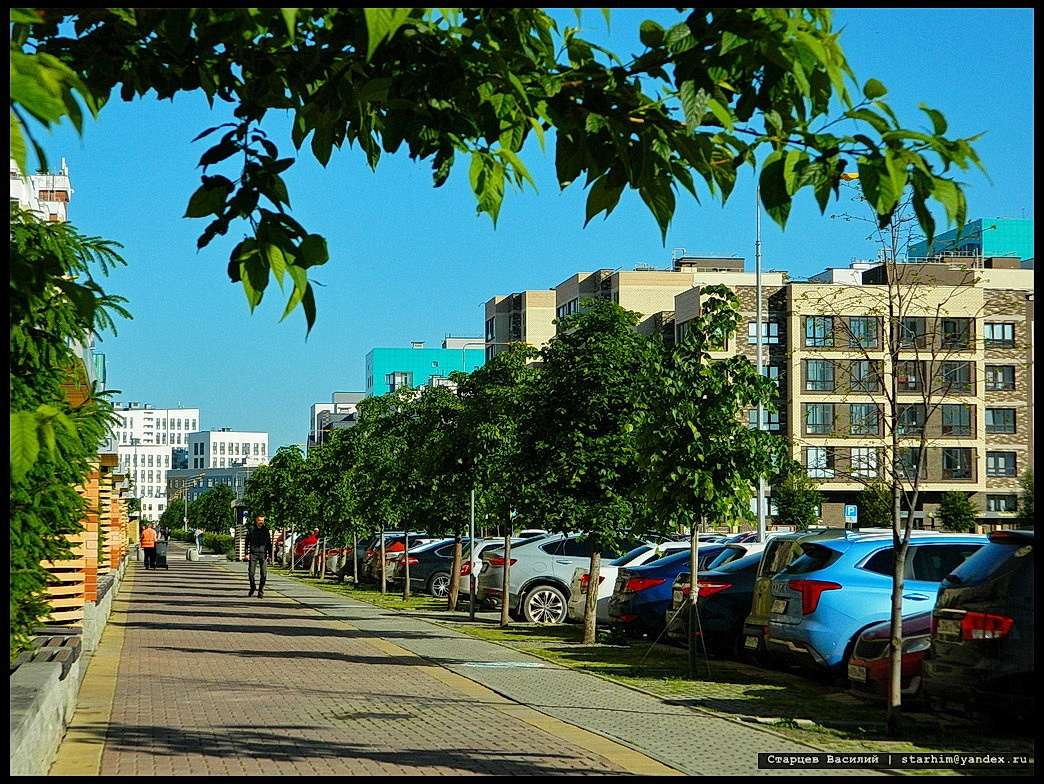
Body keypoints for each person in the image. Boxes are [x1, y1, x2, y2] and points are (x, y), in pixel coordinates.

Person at [245, 513, 273, 598]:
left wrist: (270, 556)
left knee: (264, 574)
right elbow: (247, 542)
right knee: (251, 573)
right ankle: (253, 587)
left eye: (262, 520)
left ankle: (261, 590)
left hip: (263, 554)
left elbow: (269, 543)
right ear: (256, 520)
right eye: (259, 520)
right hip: (253, 554)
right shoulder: (251, 529)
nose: (261, 522)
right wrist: (246, 553)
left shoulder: (266, 530)